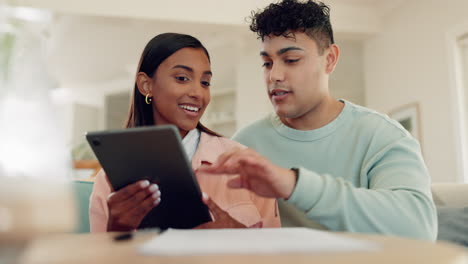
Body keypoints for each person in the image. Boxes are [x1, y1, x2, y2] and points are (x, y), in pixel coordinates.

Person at [199, 0, 437, 240]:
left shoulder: (382, 136)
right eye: (267, 63)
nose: (274, 76)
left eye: (291, 60)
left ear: (330, 59)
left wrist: (294, 185)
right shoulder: (246, 142)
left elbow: (419, 229)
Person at [89, 33, 280, 232]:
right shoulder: (108, 181)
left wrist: (237, 236)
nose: (198, 93)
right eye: (182, 78)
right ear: (146, 85)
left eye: (205, 82)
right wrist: (117, 230)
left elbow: (280, 255)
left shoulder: (247, 166)